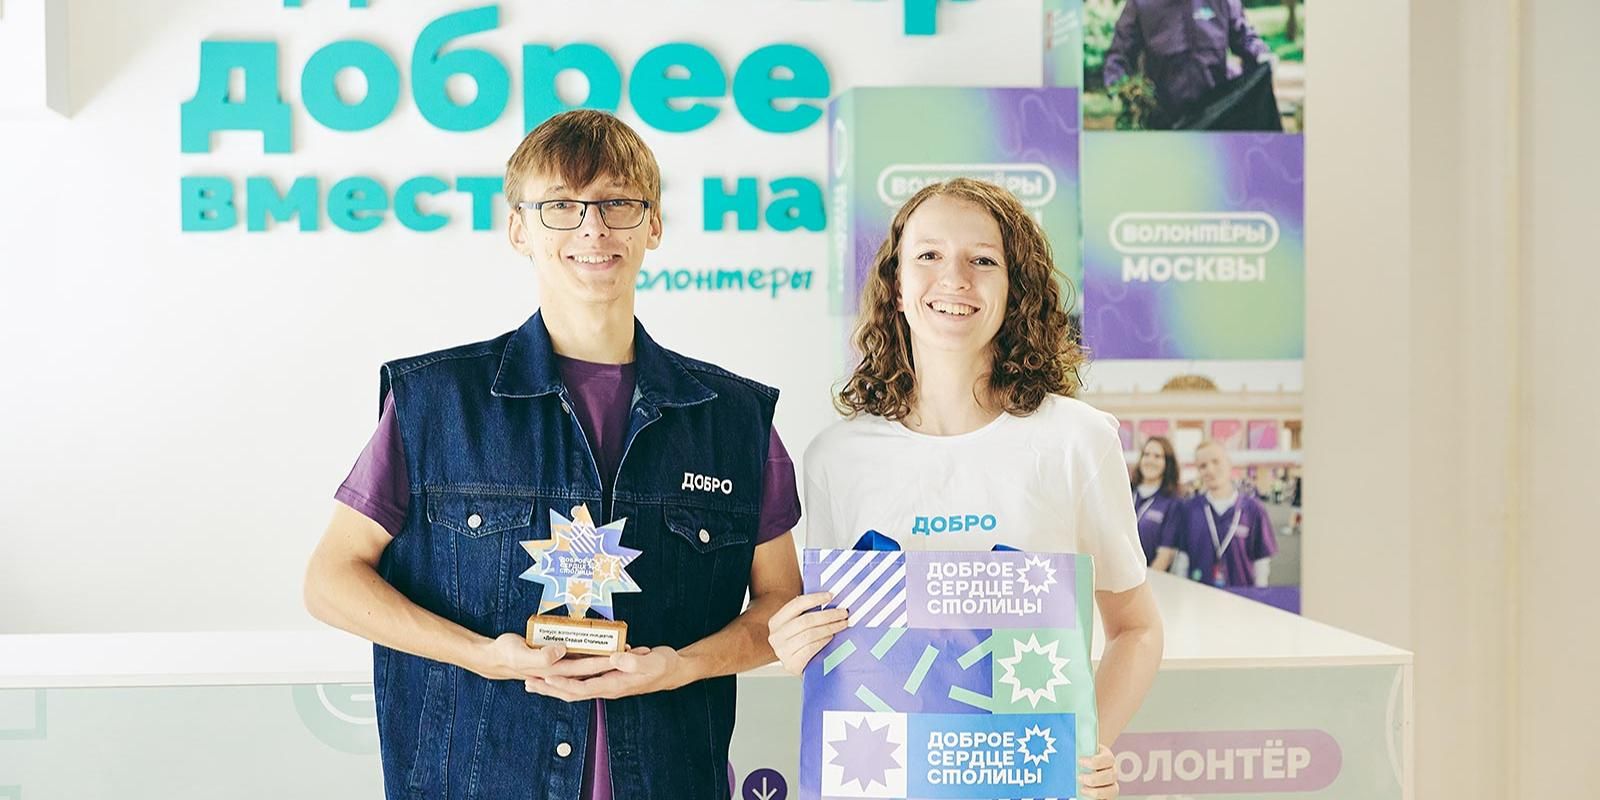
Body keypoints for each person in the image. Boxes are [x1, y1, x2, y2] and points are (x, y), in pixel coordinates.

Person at [302, 109, 803, 800]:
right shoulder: (435, 403)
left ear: (654, 225)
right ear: (520, 229)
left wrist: (681, 666)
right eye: (561, 206)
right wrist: (485, 656)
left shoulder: (734, 418)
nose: (593, 228)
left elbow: (781, 607)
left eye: (618, 203)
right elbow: (330, 581)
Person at [767, 178, 1163, 800]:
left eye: (983, 260)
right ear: (896, 286)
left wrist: (1081, 750)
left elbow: (1136, 629)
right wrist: (798, 649)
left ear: (1015, 289)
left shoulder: (1078, 441)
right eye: (929, 255)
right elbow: (849, 651)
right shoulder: (835, 459)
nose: (954, 278)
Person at [1102, 0, 1274, 128]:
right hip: (1166, 119)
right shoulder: (1141, 4)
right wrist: (1119, 86)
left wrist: (1260, 53)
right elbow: (1119, 55)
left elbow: (1243, 35)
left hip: (1218, 112)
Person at [1178, 440, 1277, 588]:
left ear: (1229, 463)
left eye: (1216, 461)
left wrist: (1259, 594)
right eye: (1203, 466)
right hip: (1200, 595)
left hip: (1241, 595)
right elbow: (1183, 559)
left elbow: (1261, 562)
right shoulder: (1190, 509)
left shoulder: (1253, 509)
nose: (1210, 470)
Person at [1133, 436, 1186, 572]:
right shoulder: (1127, 493)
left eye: (1157, 456)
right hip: (1117, 576)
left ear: (1167, 463)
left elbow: (1165, 556)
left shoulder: (1173, 502)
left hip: (1149, 578)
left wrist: (1147, 581)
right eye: (1146, 454)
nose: (1150, 460)